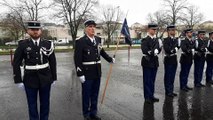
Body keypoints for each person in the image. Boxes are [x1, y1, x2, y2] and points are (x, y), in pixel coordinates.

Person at [13, 21, 57, 120]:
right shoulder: (22, 45)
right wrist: (18, 80)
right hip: (30, 79)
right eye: (32, 30)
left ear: (40, 31)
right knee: (32, 105)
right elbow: (16, 63)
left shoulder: (48, 44)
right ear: (28, 31)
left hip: (45, 78)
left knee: (45, 104)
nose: (35, 32)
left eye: (37, 29)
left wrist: (54, 78)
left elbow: (53, 62)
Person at [74, 19, 115, 120]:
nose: (92, 29)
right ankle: (86, 114)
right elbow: (77, 59)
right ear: (86, 29)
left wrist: (110, 59)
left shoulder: (98, 40)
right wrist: (80, 73)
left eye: (93, 27)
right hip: (87, 73)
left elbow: (102, 52)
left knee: (95, 94)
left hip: (97, 72)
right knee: (86, 94)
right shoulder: (81, 41)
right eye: (90, 27)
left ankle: (93, 112)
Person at [141, 23, 162, 103]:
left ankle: (151, 95)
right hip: (147, 61)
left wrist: (159, 49)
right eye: (153, 29)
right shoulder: (145, 40)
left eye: (155, 29)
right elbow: (145, 50)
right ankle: (147, 97)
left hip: (154, 62)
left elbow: (159, 50)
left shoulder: (157, 40)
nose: (155, 31)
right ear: (149, 30)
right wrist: (153, 51)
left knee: (152, 80)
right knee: (147, 80)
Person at [163, 25, 179, 97]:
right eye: (172, 30)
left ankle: (171, 90)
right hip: (168, 59)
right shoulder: (166, 40)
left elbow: (178, 47)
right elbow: (168, 50)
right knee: (168, 76)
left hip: (174, 59)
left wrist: (177, 47)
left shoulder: (176, 40)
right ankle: (168, 91)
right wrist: (175, 49)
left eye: (174, 30)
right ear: (168, 31)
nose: (173, 31)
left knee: (172, 76)